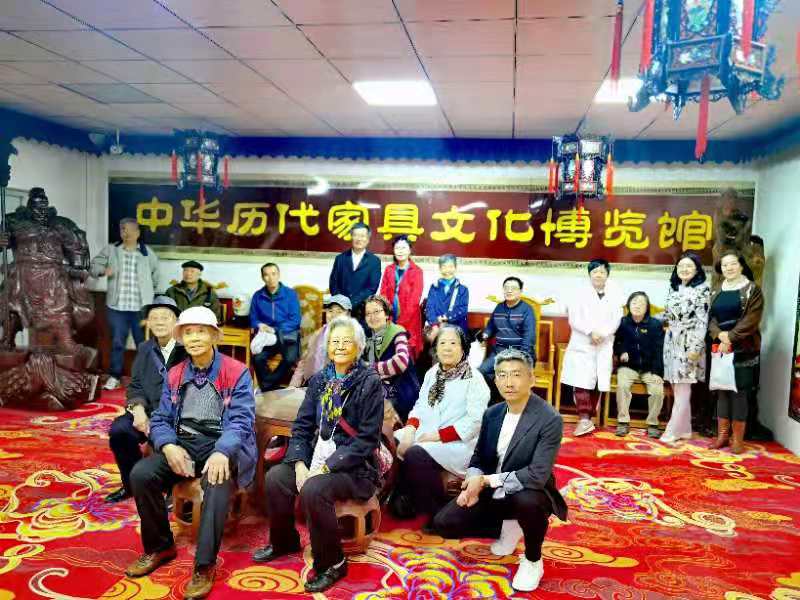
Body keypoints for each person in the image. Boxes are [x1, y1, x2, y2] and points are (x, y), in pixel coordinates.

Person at [124, 306, 256, 599]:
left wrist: (222, 451)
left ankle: (204, 565)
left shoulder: (237, 372)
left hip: (220, 443)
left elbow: (242, 420)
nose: (194, 338)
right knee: (141, 474)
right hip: (184, 443)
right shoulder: (175, 373)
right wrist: (168, 446)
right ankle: (160, 546)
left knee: (217, 480)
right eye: (188, 332)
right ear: (181, 338)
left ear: (214, 336)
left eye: (201, 331)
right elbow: (160, 418)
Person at [252, 316, 383, 593]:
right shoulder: (320, 379)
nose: (339, 346)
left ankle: (333, 562)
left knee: (314, 488)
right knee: (277, 477)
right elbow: (302, 425)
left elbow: (367, 439)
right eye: (334, 341)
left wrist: (327, 467)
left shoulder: (369, 382)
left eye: (346, 341)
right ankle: (284, 541)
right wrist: (300, 463)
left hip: (354, 467)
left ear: (358, 346)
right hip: (316, 456)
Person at [431, 349, 567, 593]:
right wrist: (473, 481)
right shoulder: (492, 414)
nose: (509, 382)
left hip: (529, 490)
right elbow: (479, 457)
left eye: (516, 374)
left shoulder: (549, 419)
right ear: (495, 381)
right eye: (502, 375)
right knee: (444, 523)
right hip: (493, 489)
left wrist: (485, 480)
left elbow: (537, 474)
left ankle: (533, 560)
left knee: (528, 502)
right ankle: (508, 525)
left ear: (531, 379)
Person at [392, 325, 490, 525]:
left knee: (416, 453)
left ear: (463, 349)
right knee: (393, 440)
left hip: (458, 443)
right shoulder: (432, 373)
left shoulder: (474, 379)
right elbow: (420, 406)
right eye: (442, 343)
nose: (447, 348)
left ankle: (437, 512)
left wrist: (438, 436)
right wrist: (410, 429)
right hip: (426, 432)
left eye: (453, 343)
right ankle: (408, 497)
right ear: (435, 349)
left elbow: (475, 422)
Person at [106, 295, 186, 503]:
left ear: (177, 321)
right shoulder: (144, 348)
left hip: (178, 414)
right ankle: (132, 484)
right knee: (120, 431)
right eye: (154, 318)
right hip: (148, 410)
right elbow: (136, 385)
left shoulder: (188, 349)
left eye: (165, 317)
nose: (159, 322)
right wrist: (138, 409)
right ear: (147, 323)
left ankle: (175, 488)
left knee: (182, 434)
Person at [0, 187, 93, 353]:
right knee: (12, 305)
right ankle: (8, 337)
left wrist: (79, 267)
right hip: (23, 272)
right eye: (37, 207)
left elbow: (77, 245)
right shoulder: (13, 221)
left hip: (53, 273)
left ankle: (66, 340)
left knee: (61, 305)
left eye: (44, 206)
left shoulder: (61, 223)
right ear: (29, 205)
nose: (41, 211)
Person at [90, 217, 160, 390]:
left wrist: (148, 297)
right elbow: (93, 266)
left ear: (138, 233)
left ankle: (144, 379)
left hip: (140, 308)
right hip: (117, 307)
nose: (126, 233)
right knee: (117, 343)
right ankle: (114, 376)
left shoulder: (147, 253)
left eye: (130, 230)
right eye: (123, 230)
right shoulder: (112, 250)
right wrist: (103, 271)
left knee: (143, 344)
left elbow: (155, 277)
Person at [708, 252, 764, 454]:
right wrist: (719, 335)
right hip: (720, 348)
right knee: (722, 390)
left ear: (741, 266)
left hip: (743, 348)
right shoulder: (716, 289)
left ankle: (737, 439)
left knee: (739, 392)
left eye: (733, 264)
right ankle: (722, 436)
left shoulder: (752, 290)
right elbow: (710, 318)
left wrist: (730, 337)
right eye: (725, 265)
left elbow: (751, 320)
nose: (729, 268)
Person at [560, 259, 624, 436]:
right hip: (583, 341)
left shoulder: (615, 294)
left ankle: (589, 417)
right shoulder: (578, 293)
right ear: (589, 274)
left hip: (604, 343)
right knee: (581, 380)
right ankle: (584, 418)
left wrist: (603, 334)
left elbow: (617, 319)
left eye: (602, 272)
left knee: (597, 381)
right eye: (595, 272)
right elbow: (574, 318)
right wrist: (590, 332)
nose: (598, 275)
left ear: (607, 275)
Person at [660, 252, 710, 444]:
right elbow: (667, 314)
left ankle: (673, 430)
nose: (684, 269)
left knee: (683, 386)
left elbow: (702, 322)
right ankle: (686, 429)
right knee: (677, 385)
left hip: (689, 341)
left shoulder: (703, 290)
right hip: (671, 342)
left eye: (689, 266)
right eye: (681, 266)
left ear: (697, 269)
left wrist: (696, 348)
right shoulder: (674, 288)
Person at [613, 292, 665, 438]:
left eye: (641, 303)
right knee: (622, 386)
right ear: (629, 305)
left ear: (647, 307)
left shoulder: (655, 325)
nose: (637, 306)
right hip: (628, 366)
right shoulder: (623, 323)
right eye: (634, 302)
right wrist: (622, 352)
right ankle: (623, 421)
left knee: (657, 390)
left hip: (650, 368)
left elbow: (659, 350)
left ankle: (653, 423)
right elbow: (616, 343)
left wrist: (658, 373)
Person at [363, 294, 420, 421]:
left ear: (386, 314)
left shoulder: (398, 333)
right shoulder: (370, 340)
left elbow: (401, 362)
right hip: (384, 394)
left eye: (376, 312)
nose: (372, 317)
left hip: (403, 394)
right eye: (368, 314)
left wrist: (370, 368)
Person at [249, 263, 301, 392]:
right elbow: (253, 318)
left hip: (287, 335)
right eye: (266, 275)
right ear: (262, 277)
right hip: (267, 337)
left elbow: (295, 320)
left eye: (274, 274)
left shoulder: (290, 294)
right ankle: (271, 388)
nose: (271, 278)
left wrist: (275, 329)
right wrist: (259, 324)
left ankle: (268, 387)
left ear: (279, 275)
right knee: (257, 358)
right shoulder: (258, 296)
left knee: (290, 359)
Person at [478, 277, 536, 379]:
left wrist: (520, 358)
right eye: (506, 288)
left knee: (509, 377)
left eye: (513, 288)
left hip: (519, 352)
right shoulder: (499, 307)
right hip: (500, 351)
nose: (509, 291)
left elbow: (529, 337)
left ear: (520, 291)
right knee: (480, 372)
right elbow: (491, 325)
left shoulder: (527, 310)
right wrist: (485, 335)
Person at [289, 294, 352, 388]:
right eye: (330, 311)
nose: (334, 315)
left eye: (339, 311)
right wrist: (293, 386)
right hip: (309, 385)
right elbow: (303, 364)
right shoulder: (317, 335)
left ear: (348, 315)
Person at [379, 235, 424, 359]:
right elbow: (383, 294)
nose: (400, 251)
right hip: (389, 318)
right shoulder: (389, 270)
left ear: (409, 250)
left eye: (403, 248)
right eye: (397, 248)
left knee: (405, 355)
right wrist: (386, 316)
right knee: (387, 354)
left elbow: (414, 300)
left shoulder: (417, 271)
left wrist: (399, 324)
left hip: (409, 320)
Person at [328, 223, 381, 324]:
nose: (359, 239)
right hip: (340, 311)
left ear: (368, 239)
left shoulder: (374, 261)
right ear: (351, 237)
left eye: (362, 236)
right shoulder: (340, 259)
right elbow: (333, 283)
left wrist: (351, 304)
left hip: (362, 311)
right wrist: (341, 304)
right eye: (356, 235)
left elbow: (372, 288)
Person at [424, 254, 469, 342]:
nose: (447, 270)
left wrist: (445, 317)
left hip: (456, 329)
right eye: (444, 267)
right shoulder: (434, 287)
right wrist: (434, 325)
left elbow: (462, 310)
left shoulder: (463, 289)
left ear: (455, 268)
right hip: (436, 328)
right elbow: (429, 308)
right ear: (440, 269)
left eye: (450, 266)